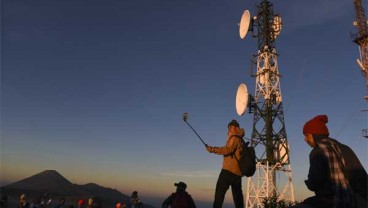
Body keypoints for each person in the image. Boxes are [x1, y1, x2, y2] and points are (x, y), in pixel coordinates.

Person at [296, 115, 368, 208]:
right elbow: (361, 177)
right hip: (356, 200)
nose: (305, 139)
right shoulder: (344, 148)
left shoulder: (318, 151)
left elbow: (315, 182)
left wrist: (309, 182)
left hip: (333, 202)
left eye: (306, 135)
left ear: (314, 134)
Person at [205, 119, 245, 208]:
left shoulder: (234, 137)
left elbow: (228, 150)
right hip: (238, 173)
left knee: (219, 193)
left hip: (229, 170)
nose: (229, 129)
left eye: (231, 127)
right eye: (229, 127)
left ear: (237, 128)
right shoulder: (240, 139)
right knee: (237, 197)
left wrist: (212, 149)